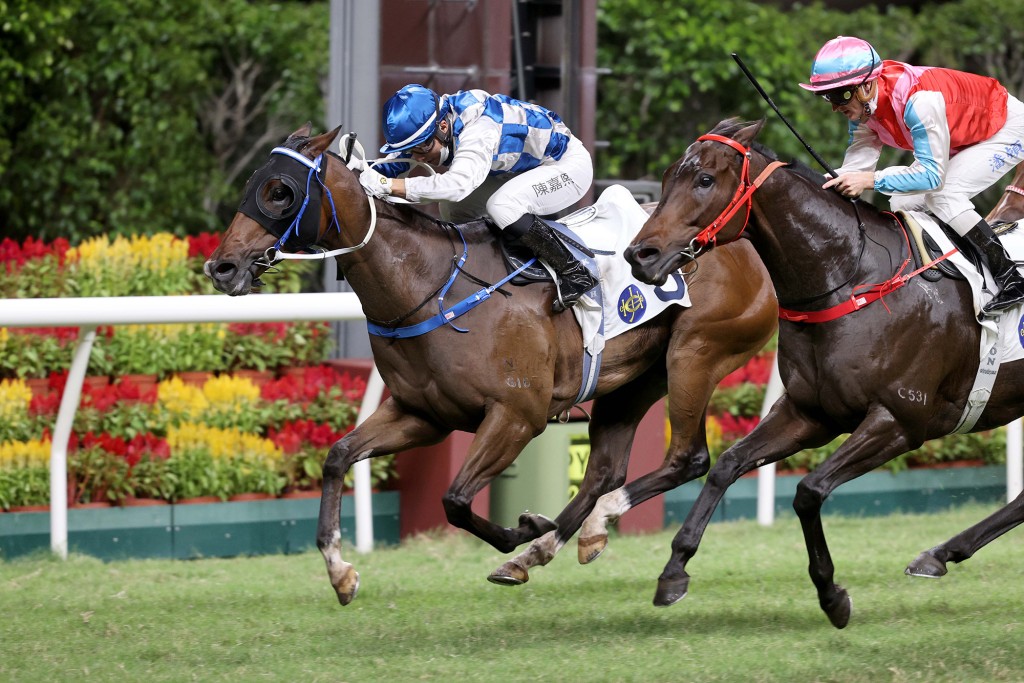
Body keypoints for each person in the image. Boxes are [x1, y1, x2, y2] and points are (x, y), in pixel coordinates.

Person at [800, 36, 1024, 313]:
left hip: (1004, 127)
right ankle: (947, 273)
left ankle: (1010, 276)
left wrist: (869, 181)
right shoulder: (864, 108)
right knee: (903, 202)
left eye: (839, 95)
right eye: (826, 96)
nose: (834, 106)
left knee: (944, 194)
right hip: (961, 137)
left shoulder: (920, 101)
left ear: (867, 85)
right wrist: (827, 181)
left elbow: (931, 177)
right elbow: (857, 167)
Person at [358, 84, 597, 312]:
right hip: (518, 170)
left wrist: (387, 186)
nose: (418, 158)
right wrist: (358, 172)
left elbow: (456, 185)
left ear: (442, 126)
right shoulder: (433, 123)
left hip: (567, 166)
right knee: (453, 209)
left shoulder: (479, 130)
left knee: (501, 206)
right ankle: (489, 266)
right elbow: (393, 167)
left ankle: (575, 273)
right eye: (412, 150)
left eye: (422, 148)